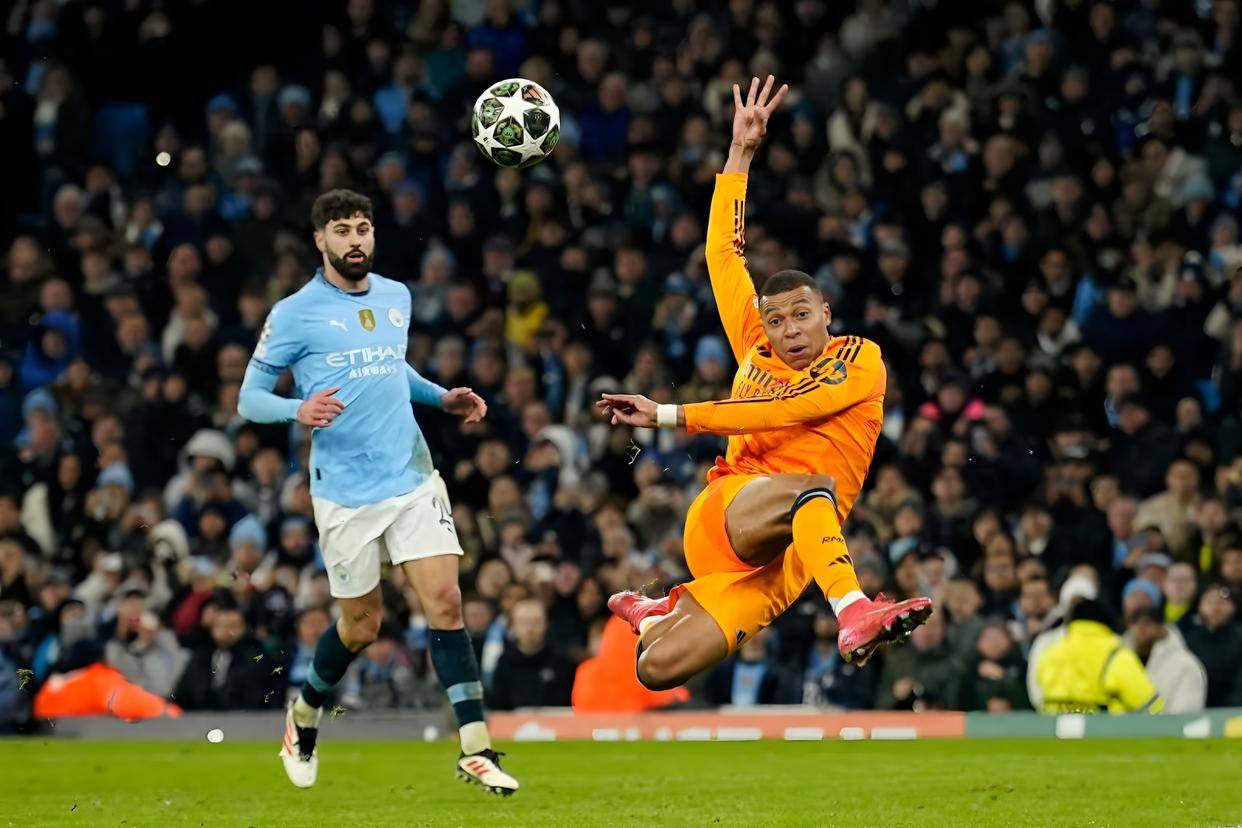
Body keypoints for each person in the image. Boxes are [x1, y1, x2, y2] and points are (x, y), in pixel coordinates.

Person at [599, 76, 932, 692]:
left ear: (826, 313)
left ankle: (655, 614)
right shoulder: (756, 344)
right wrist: (740, 154)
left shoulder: (861, 360)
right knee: (813, 487)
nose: (788, 330)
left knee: (655, 670)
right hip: (730, 511)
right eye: (776, 321)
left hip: (788, 561)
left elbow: (786, 411)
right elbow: (723, 257)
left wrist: (672, 414)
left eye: (801, 315)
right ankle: (854, 611)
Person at [237, 189, 516, 793]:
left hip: (411, 475)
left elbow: (389, 367)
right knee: (362, 626)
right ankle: (304, 715)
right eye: (341, 230)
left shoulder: (396, 296)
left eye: (362, 227)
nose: (355, 239)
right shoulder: (294, 313)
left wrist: (439, 396)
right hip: (344, 491)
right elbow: (248, 400)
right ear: (320, 240)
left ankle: (475, 748)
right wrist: (296, 409)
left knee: (446, 602)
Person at [1033, 599, 1162, 713]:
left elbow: (1039, 694)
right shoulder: (1116, 653)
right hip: (1105, 731)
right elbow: (1150, 704)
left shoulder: (1050, 653)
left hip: (1055, 730)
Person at [1122, 606, 1206, 713]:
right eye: (1136, 624)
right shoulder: (1118, 660)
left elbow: (1186, 712)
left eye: (1148, 624)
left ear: (1161, 626)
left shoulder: (1186, 665)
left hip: (1168, 723)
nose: (1142, 629)